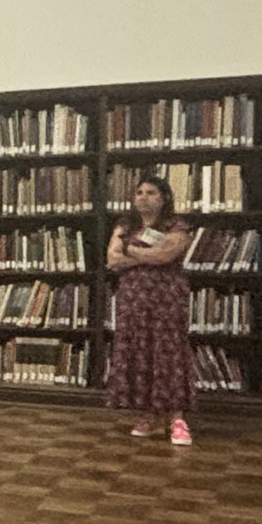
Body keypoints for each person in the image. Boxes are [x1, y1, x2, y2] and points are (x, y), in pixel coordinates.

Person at [103, 175, 195, 445]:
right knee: (140, 351)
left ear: (163, 197)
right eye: (139, 192)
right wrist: (145, 255)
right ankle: (149, 414)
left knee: (167, 352)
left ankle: (177, 418)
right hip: (133, 299)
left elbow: (165, 255)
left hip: (166, 298)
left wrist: (130, 253)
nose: (144, 197)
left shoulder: (175, 225)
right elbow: (112, 260)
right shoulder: (125, 225)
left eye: (151, 192)